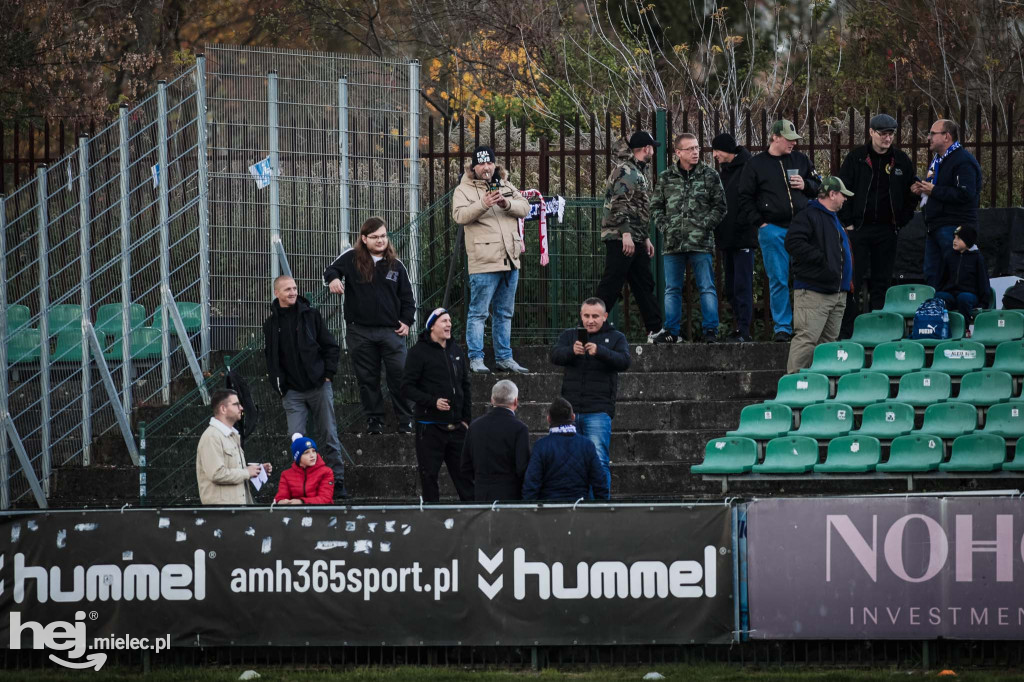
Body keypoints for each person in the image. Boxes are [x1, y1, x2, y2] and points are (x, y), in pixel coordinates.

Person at [323, 216, 416, 434]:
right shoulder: (352, 257)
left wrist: (407, 321)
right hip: (360, 331)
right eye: (374, 237)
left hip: (391, 332)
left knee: (400, 375)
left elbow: (408, 299)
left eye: (383, 236)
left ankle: (406, 420)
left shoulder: (397, 265)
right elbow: (330, 270)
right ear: (364, 238)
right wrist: (334, 280)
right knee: (367, 378)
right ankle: (375, 421)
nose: (380, 240)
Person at [737, 119, 821, 342]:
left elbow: (818, 186)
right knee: (778, 279)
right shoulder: (756, 165)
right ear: (774, 137)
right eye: (788, 139)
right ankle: (783, 327)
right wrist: (760, 222)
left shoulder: (801, 160)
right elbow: (744, 196)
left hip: (802, 229)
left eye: (795, 140)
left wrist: (806, 185)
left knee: (807, 278)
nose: (793, 143)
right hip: (773, 229)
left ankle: (807, 326)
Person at [263, 275, 346, 498]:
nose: (292, 292)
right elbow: (271, 358)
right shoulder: (270, 325)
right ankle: (302, 487)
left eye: (294, 288)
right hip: (292, 393)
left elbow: (331, 346)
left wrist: (328, 375)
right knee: (296, 439)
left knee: (329, 434)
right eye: (287, 289)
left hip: (319, 386)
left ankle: (336, 482)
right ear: (276, 293)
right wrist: (280, 387)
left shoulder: (311, 315)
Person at [452, 145, 531, 374]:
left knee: (504, 313)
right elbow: (460, 215)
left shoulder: (505, 184)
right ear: (473, 167)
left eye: (489, 163)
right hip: (484, 261)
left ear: (494, 165)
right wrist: (484, 203)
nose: (486, 168)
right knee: (479, 313)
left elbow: (524, 207)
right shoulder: (463, 189)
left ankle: (504, 357)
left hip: (510, 259)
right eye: (481, 164)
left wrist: (506, 204)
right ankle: (476, 358)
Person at [837, 113, 918, 337]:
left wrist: (901, 221)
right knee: (853, 281)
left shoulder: (901, 160)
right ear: (871, 132)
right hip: (859, 230)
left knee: (882, 282)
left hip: (887, 230)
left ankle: (879, 329)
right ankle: (850, 331)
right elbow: (842, 190)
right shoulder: (856, 158)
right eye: (883, 133)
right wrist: (848, 223)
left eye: (891, 133)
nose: (887, 138)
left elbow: (912, 193)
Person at [650, 133, 727, 343]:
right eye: (690, 149)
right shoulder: (666, 177)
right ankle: (671, 332)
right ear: (678, 152)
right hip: (673, 244)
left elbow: (720, 206)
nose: (695, 152)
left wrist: (704, 226)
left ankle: (710, 330)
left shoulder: (709, 175)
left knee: (706, 287)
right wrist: (666, 227)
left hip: (700, 243)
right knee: (672, 288)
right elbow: (656, 206)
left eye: (697, 148)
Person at [550, 297, 630, 491]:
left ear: (605, 317)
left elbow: (624, 361)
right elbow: (554, 356)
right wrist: (571, 351)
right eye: (586, 316)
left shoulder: (617, 337)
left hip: (599, 411)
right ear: (581, 316)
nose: (590, 320)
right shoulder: (570, 336)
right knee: (567, 463)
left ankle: (601, 508)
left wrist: (600, 351)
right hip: (570, 412)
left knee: (600, 461)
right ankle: (574, 505)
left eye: (595, 316)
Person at [400, 308, 475, 502]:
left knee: (465, 477)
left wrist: (466, 419)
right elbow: (407, 387)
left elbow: (465, 385)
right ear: (432, 326)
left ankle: (474, 520)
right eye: (444, 321)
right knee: (429, 477)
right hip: (430, 427)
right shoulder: (418, 353)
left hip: (457, 427)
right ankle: (432, 522)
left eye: (450, 320)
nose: (449, 324)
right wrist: (432, 402)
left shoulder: (456, 350)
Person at [595, 131, 664, 341]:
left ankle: (655, 329)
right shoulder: (627, 171)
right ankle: (589, 326)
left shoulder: (636, 170)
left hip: (634, 236)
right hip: (621, 237)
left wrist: (644, 238)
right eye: (652, 147)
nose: (653, 150)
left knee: (643, 283)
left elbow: (638, 208)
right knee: (612, 283)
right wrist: (626, 234)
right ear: (646, 148)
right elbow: (619, 204)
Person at [784, 177, 855, 374]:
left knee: (827, 346)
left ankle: (817, 390)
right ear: (832, 194)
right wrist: (821, 260)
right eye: (842, 195)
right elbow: (793, 243)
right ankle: (793, 388)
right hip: (815, 291)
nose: (845, 199)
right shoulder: (809, 215)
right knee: (807, 340)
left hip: (835, 293)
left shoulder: (832, 217)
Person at [912, 119, 983, 289]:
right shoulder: (938, 160)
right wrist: (922, 190)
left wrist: (934, 190)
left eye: (932, 133)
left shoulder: (963, 161)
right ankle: (933, 311)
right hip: (935, 225)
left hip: (954, 227)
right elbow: (937, 189)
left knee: (954, 275)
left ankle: (956, 313)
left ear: (947, 137)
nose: (928, 137)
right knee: (933, 275)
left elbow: (966, 193)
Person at [711, 132, 756, 343]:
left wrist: (744, 223)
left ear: (726, 150)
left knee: (742, 285)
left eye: (716, 150)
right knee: (730, 286)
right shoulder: (724, 172)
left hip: (743, 237)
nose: (714, 155)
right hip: (726, 238)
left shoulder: (748, 167)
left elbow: (749, 199)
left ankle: (744, 330)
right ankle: (737, 328)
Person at [522, 397, 609, 502]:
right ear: (573, 417)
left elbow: (531, 484)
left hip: (548, 510)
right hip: (578, 508)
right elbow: (600, 482)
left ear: (549, 419)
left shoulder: (541, 446)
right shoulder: (587, 445)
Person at [196, 389, 272, 505]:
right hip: (223, 513)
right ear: (223, 409)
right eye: (236, 404)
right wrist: (246, 472)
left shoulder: (231, 435)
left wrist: (256, 471)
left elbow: (231, 469)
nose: (241, 408)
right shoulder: (212, 437)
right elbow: (217, 474)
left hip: (237, 509)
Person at [460, 380, 531, 502]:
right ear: (515, 401)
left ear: (492, 400)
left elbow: (465, 466)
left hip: (481, 494)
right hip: (510, 495)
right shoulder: (520, 429)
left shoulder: (475, 426)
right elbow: (522, 468)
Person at [935, 225, 990, 322]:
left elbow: (983, 281)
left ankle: (965, 328)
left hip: (970, 295)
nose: (954, 241)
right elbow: (941, 278)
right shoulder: (949, 256)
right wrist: (939, 290)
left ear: (967, 241)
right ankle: (942, 327)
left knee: (964, 298)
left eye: (959, 238)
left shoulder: (977, 258)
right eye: (954, 237)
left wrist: (984, 303)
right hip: (951, 294)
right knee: (940, 297)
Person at [274, 434, 335, 505]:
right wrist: (281, 501)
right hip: (295, 514)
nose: (312, 455)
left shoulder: (326, 472)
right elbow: (281, 497)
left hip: (321, 514)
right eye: (306, 453)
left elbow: (325, 499)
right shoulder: (286, 475)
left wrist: (302, 501)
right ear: (298, 457)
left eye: (314, 451)